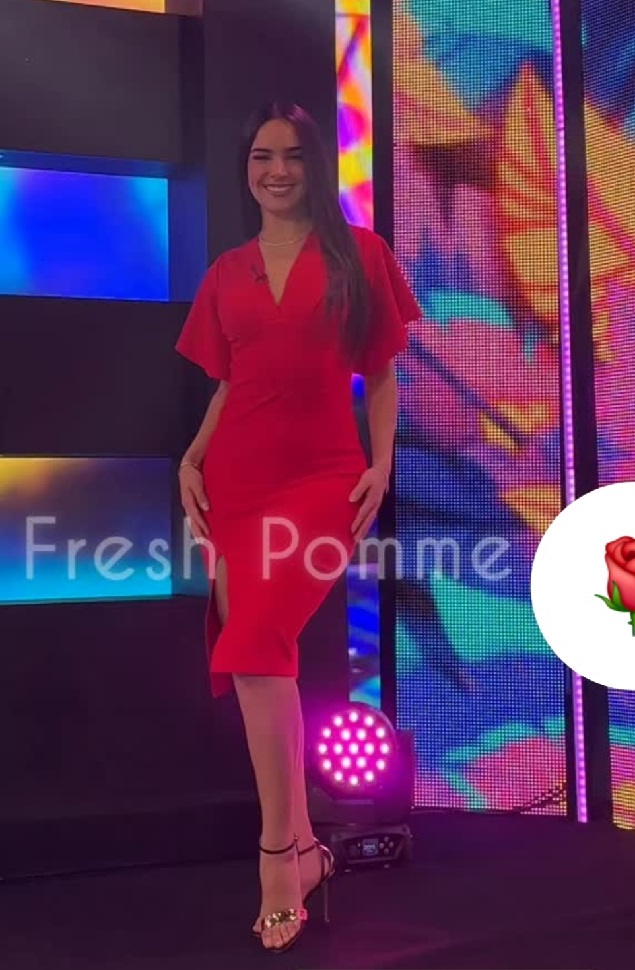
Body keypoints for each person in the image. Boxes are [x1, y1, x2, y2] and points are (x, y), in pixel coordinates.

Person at [175, 101, 421, 953]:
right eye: (260, 158)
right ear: (246, 170)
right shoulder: (226, 271)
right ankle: (304, 849)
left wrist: (380, 464)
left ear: (315, 165)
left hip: (323, 478)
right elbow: (230, 383)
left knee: (253, 641)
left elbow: (381, 375)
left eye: (290, 156)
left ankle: (277, 857)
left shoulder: (360, 256)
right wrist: (191, 457)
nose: (275, 171)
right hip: (234, 480)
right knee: (257, 658)